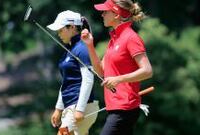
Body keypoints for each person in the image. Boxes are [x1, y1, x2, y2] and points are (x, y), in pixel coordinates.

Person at [81, 0, 153, 134]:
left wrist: (118, 79)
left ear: (116, 14)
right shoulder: (114, 39)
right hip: (115, 107)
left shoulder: (131, 38)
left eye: (105, 12)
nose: (102, 15)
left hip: (125, 108)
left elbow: (147, 71)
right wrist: (90, 45)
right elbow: (101, 71)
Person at [47, 10, 99, 135]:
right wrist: (58, 109)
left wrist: (80, 109)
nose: (58, 33)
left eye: (61, 29)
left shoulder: (82, 48)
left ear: (72, 27)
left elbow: (88, 79)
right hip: (71, 107)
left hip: (80, 108)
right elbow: (66, 82)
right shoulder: (69, 50)